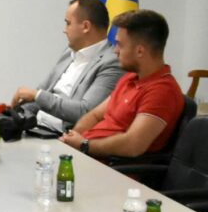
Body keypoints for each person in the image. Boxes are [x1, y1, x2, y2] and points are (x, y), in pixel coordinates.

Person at [61, 9, 185, 159]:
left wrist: (84, 145)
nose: (115, 51)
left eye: (120, 45)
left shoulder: (162, 91)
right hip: (87, 155)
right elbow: (95, 115)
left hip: (112, 167)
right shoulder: (130, 78)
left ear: (140, 51)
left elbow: (133, 145)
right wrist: (72, 139)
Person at [10, 0, 123, 133]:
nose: (64, 30)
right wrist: (17, 113)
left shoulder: (112, 63)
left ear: (86, 26)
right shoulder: (69, 52)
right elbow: (43, 91)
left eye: (68, 23)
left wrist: (37, 96)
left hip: (62, 137)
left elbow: (85, 112)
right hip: (37, 127)